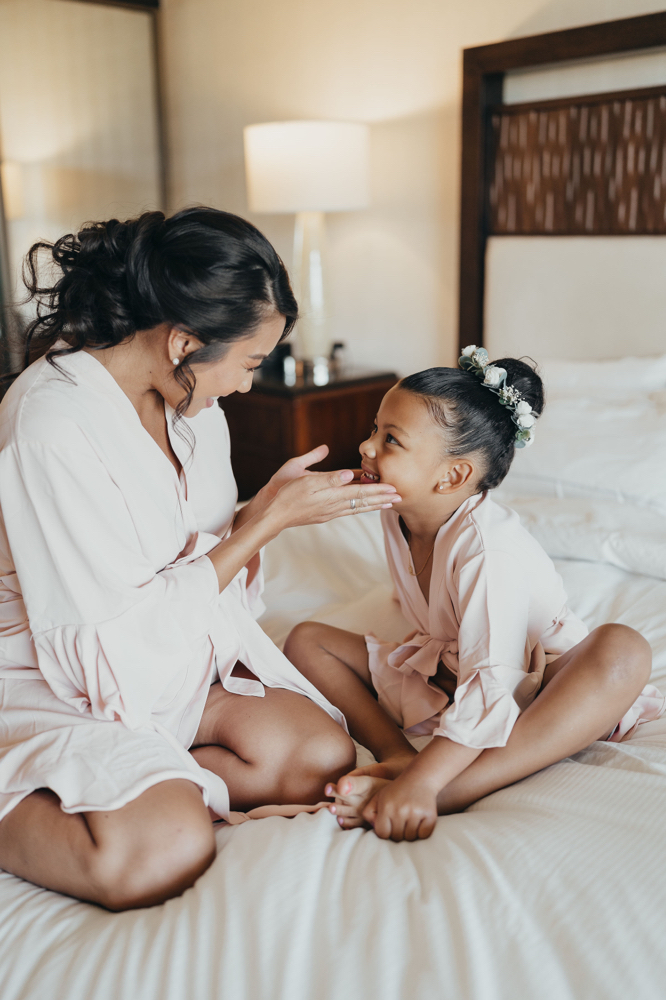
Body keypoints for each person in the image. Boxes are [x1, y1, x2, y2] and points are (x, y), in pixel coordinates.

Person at [0, 208, 402, 910]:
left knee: (318, 754)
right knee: (161, 849)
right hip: (63, 676)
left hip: (166, 662)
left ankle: (151, 775)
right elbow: (106, 647)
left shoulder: (192, 409)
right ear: (184, 341)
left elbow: (182, 551)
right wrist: (267, 524)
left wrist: (256, 513)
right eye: (248, 363)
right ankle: (110, 789)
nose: (248, 387)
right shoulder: (50, 426)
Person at [285, 348, 665, 842]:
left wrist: (428, 782)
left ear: (453, 477)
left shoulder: (489, 549)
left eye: (391, 440)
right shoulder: (395, 511)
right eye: (375, 430)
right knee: (306, 641)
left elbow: (495, 680)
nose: (366, 446)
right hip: (453, 670)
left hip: (539, 685)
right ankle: (397, 756)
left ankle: (449, 790)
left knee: (623, 651)